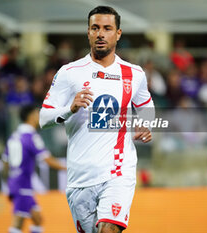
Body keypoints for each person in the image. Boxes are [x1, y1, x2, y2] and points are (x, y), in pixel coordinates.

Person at [39, 6, 155, 233]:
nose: (101, 34)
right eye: (95, 28)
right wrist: (69, 109)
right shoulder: (69, 72)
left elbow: (146, 106)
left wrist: (145, 124)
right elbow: (44, 117)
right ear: (88, 32)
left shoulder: (134, 74)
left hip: (118, 171)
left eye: (107, 28)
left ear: (118, 33)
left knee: (108, 229)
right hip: (80, 178)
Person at [2, 104, 66, 233]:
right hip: (23, 185)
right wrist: (68, 168)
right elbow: (47, 159)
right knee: (18, 222)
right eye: (37, 114)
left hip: (16, 183)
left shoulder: (14, 136)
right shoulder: (31, 137)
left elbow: (5, 163)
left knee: (37, 219)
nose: (39, 117)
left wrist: (9, 185)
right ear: (31, 116)